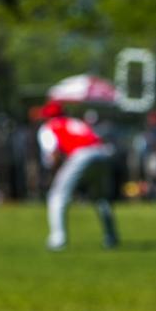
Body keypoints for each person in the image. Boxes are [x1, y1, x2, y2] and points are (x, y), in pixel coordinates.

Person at [38, 100, 119, 250]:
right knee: (101, 197)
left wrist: (54, 174)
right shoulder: (75, 122)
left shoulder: (49, 127)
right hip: (102, 153)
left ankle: (58, 240)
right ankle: (111, 237)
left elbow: (53, 154)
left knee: (57, 196)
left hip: (81, 155)